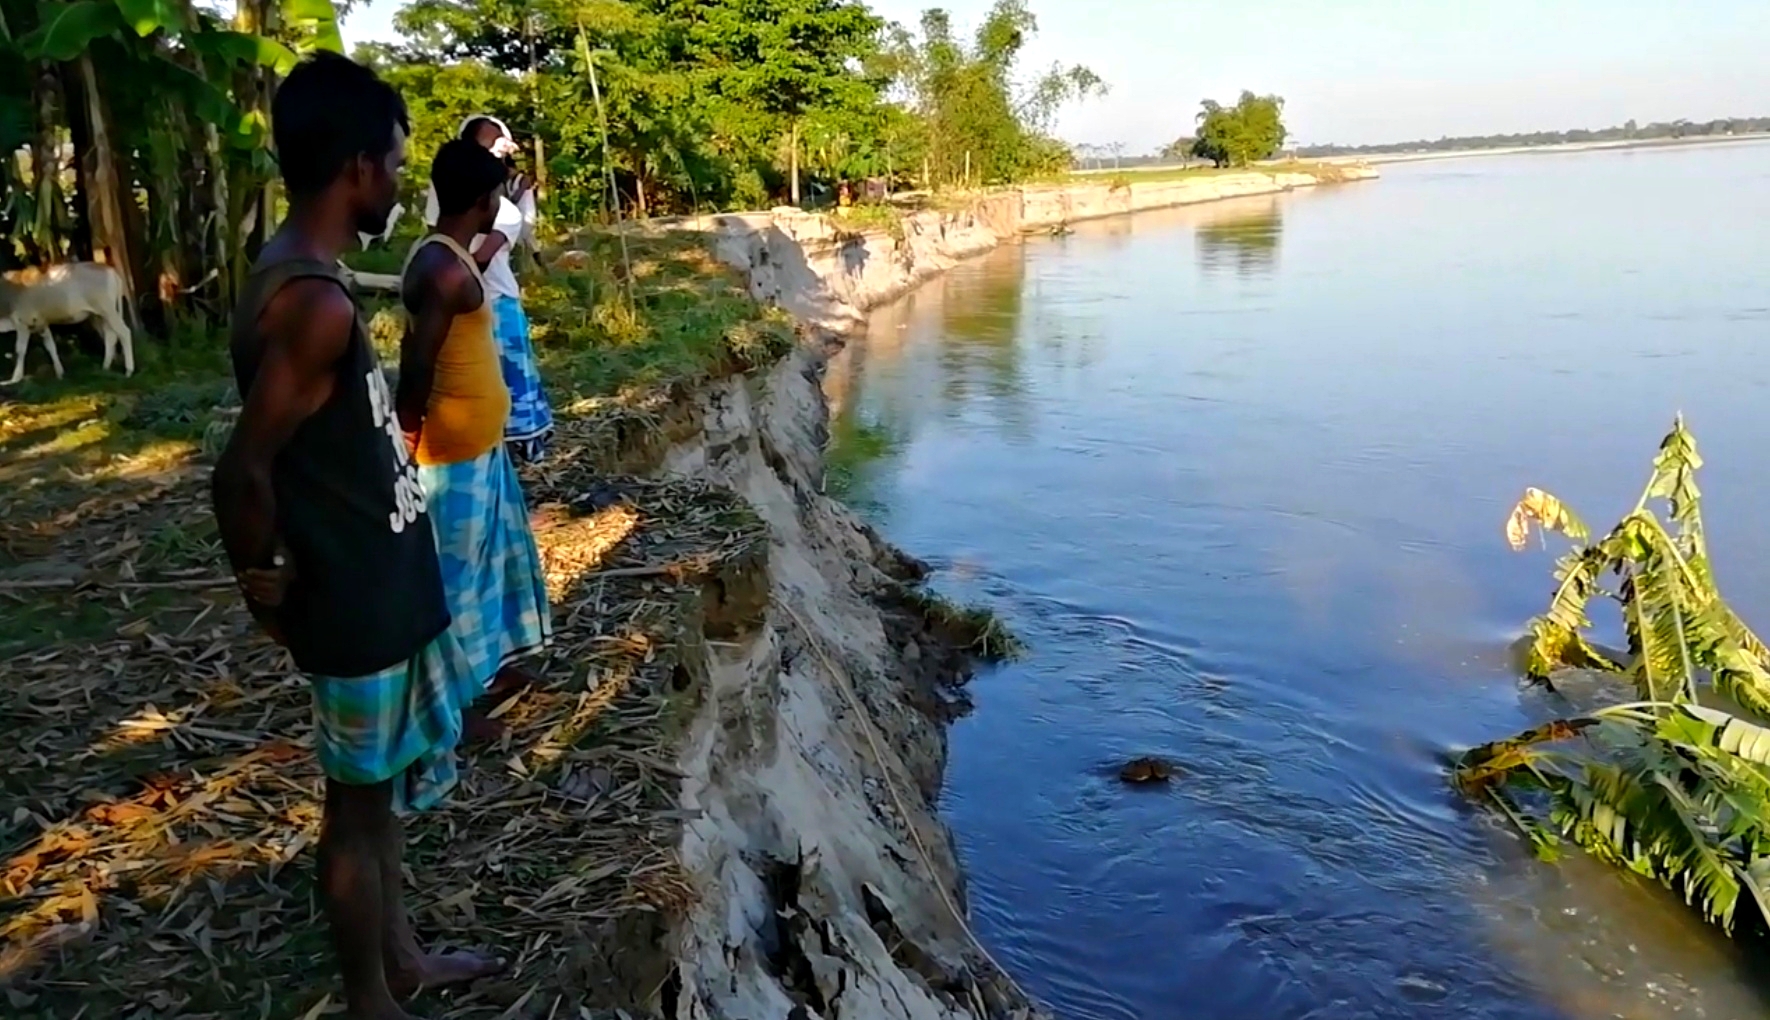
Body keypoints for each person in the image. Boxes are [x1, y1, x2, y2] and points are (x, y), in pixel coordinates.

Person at [210, 53, 500, 1020]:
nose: (403, 180)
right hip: (352, 598)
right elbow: (242, 471)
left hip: (383, 579)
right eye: (395, 160)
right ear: (356, 170)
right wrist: (268, 594)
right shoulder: (312, 303)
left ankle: (403, 958)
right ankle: (372, 998)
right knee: (356, 808)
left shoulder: (310, 277)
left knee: (377, 801)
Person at [401, 139, 553, 744]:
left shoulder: (455, 256)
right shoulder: (441, 267)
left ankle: (490, 668)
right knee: (457, 580)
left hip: (478, 445)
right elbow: (418, 360)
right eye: (497, 195)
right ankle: (450, 709)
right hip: (449, 451)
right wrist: (406, 430)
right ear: (485, 198)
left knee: (492, 563)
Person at [423, 115, 554, 463]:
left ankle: (517, 444)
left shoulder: (506, 210)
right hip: (458, 302)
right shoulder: (445, 199)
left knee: (506, 376)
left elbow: (478, 258)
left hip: (492, 298)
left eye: (497, 144)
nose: (491, 151)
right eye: (483, 144)